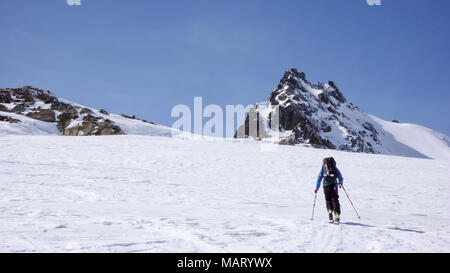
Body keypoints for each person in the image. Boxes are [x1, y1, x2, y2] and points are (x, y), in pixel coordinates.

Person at [315, 157, 344, 223]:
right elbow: (340, 175)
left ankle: (330, 213)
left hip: (326, 186)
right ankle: (337, 215)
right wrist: (341, 182)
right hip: (334, 185)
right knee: (335, 200)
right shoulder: (334, 167)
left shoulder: (323, 168)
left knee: (328, 200)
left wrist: (316, 188)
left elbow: (319, 178)